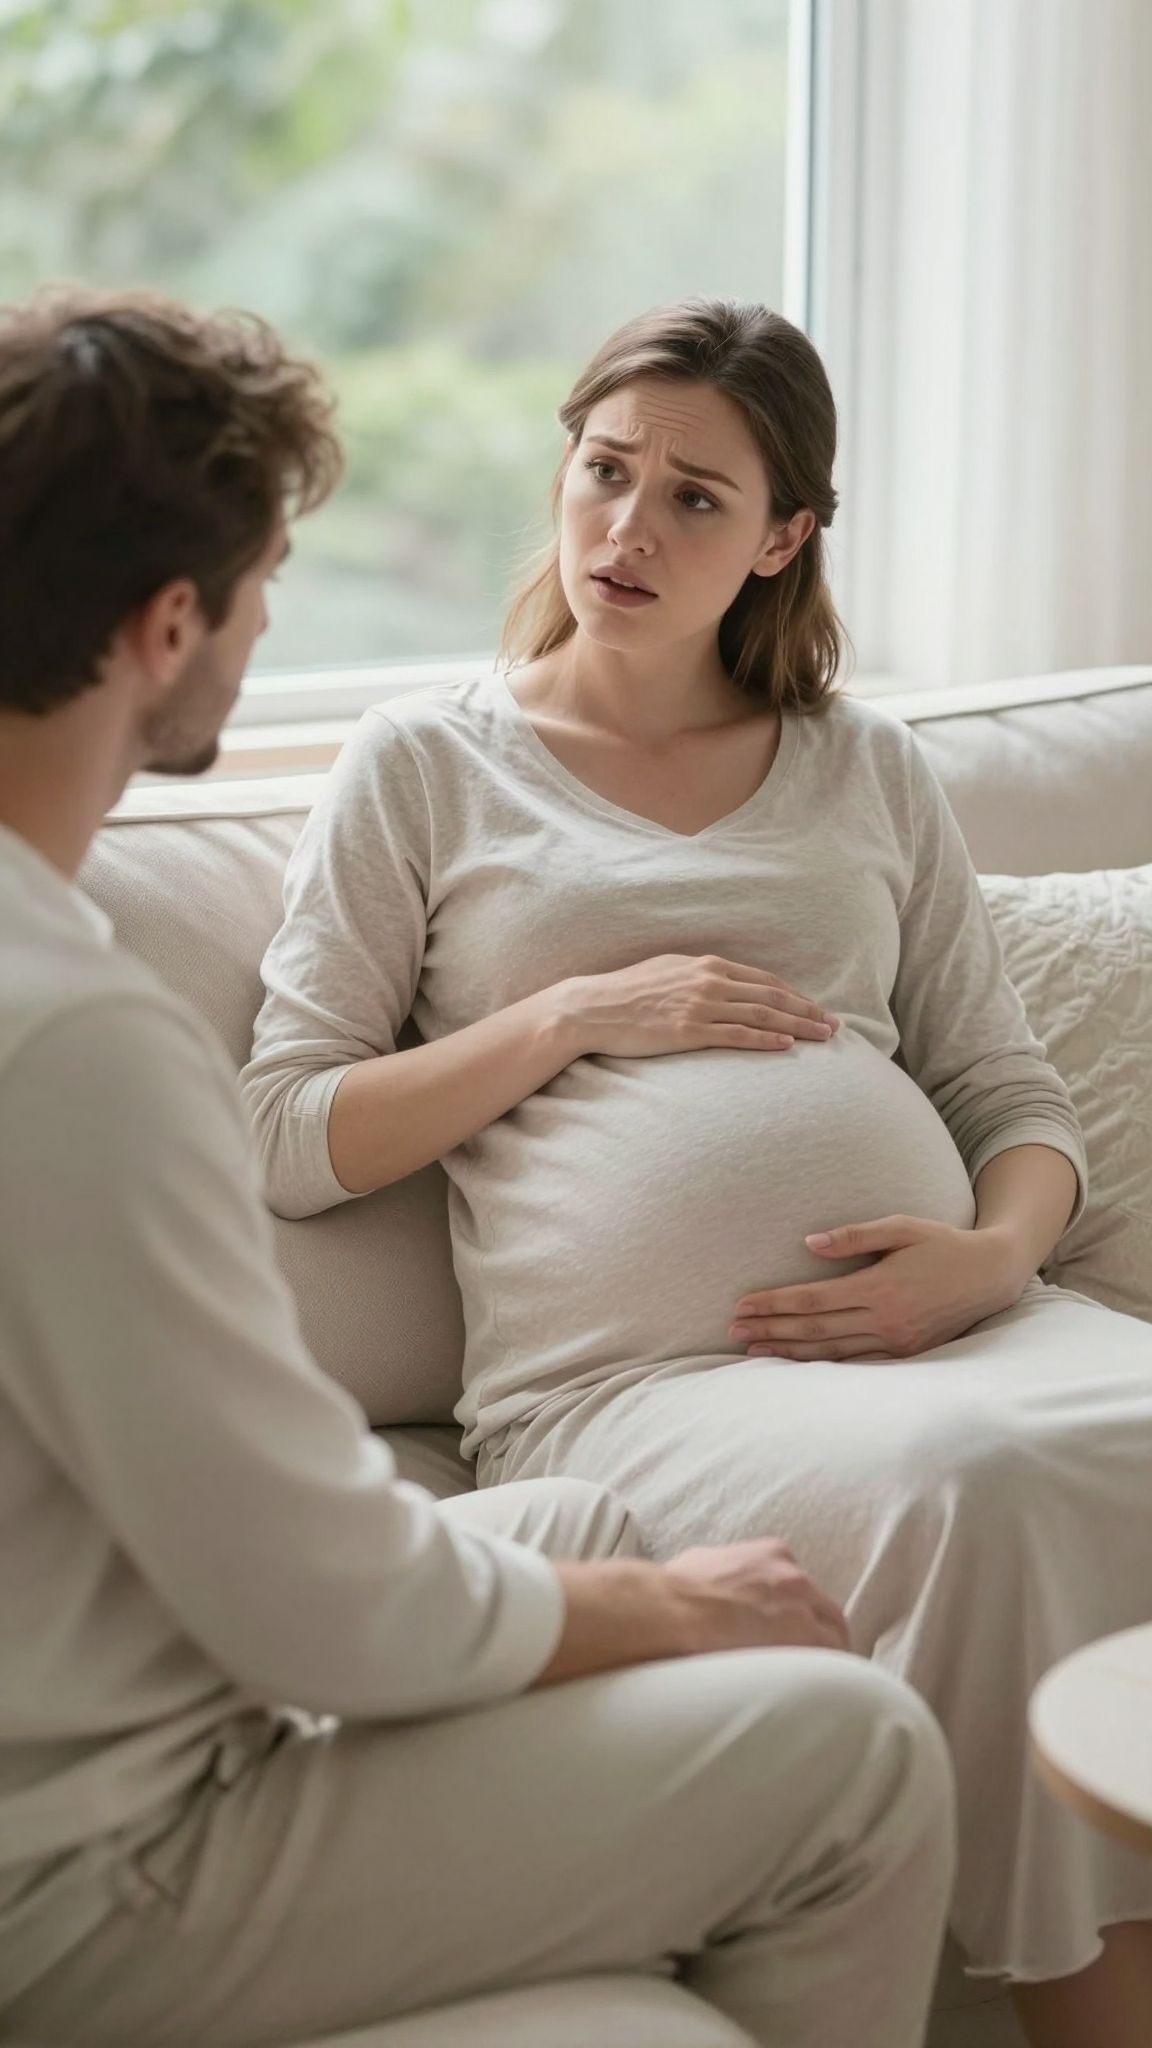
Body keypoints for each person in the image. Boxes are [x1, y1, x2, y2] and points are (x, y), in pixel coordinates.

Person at [0, 286, 955, 2048]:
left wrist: (617, 1586)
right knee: (864, 1749)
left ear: (781, 539)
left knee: (579, 1531)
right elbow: (316, 1597)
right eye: (269, 578)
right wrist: (675, 1603)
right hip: (89, 1861)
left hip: (107, 1706)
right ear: (167, 625)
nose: (279, 614)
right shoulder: (74, 1040)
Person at [244, 296, 1152, 2048]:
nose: (629, 531)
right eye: (605, 474)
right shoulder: (426, 764)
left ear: (785, 536)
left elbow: (1010, 1094)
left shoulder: (863, 766)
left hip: (971, 1325)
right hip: (638, 1379)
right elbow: (288, 1135)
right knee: (982, 1481)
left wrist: (988, 1259)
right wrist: (576, 1011)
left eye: (695, 500)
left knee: (1037, 1435)